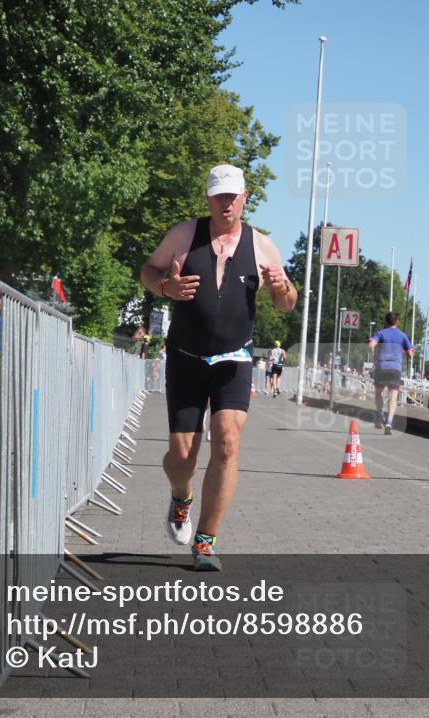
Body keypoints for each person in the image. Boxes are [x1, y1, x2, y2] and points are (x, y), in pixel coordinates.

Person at [140, 164, 297, 571]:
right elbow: (149, 270)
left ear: (245, 197)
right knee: (182, 457)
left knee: (227, 443)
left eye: (233, 196)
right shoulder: (183, 234)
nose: (226, 203)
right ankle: (181, 497)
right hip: (187, 358)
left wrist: (282, 289)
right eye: (218, 196)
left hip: (234, 359)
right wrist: (165, 287)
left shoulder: (263, 246)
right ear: (207, 198)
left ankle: (206, 541)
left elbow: (287, 302)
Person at [368, 311, 414, 435]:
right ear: (397, 321)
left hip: (381, 366)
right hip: (395, 368)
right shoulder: (402, 336)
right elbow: (410, 353)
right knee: (393, 396)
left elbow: (371, 345)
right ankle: (389, 423)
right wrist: (408, 353)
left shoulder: (380, 333)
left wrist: (374, 359)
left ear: (386, 321)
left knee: (378, 392)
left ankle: (379, 414)